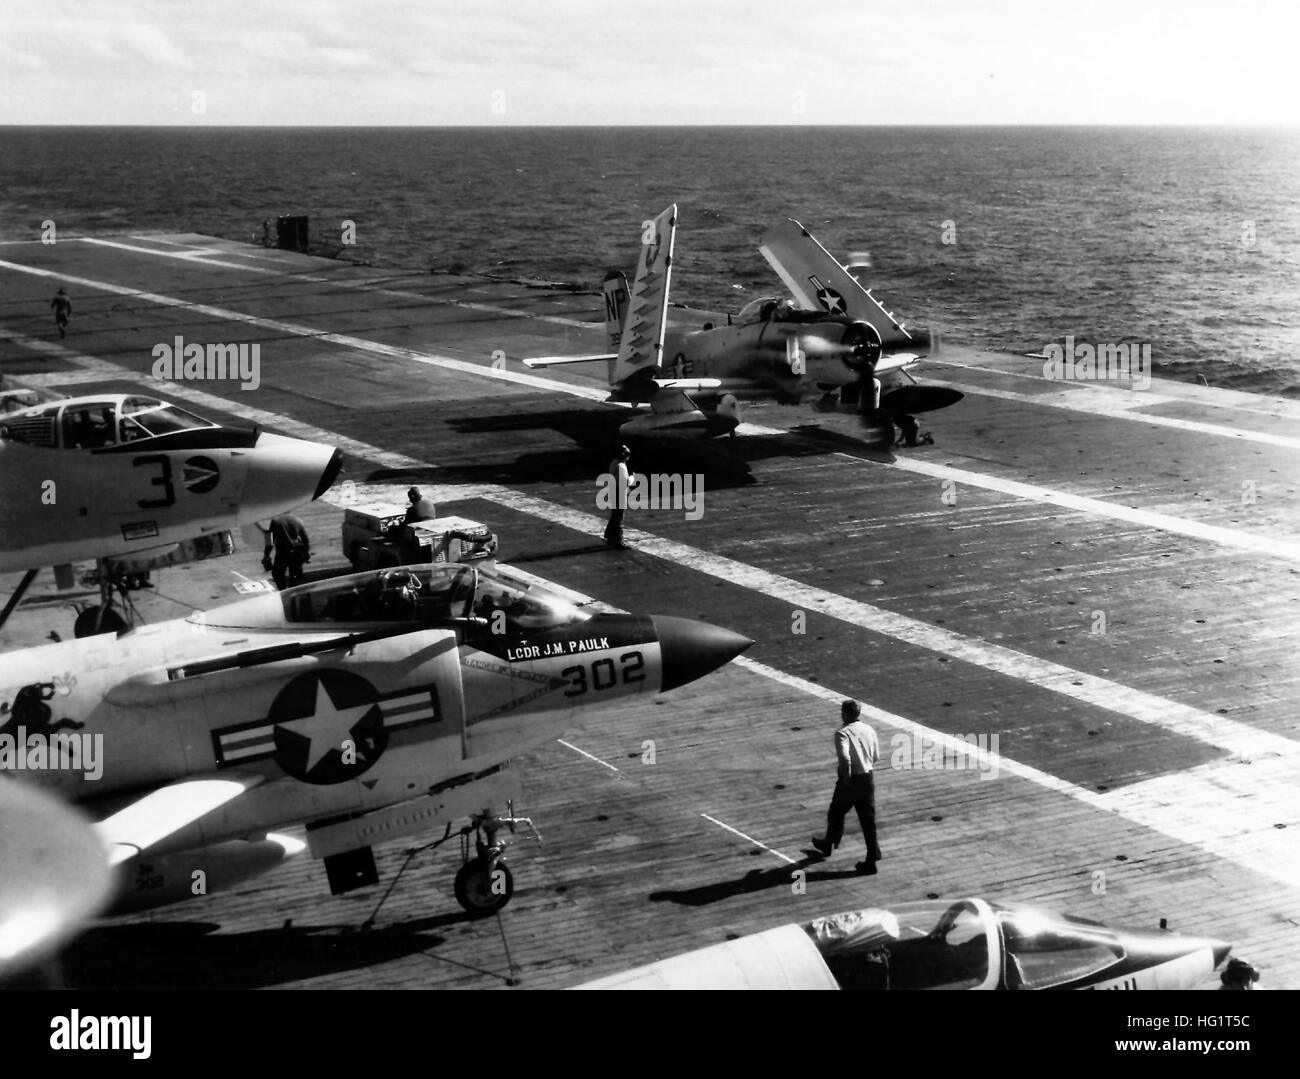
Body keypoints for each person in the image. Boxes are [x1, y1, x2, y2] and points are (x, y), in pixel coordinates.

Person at [812, 699, 883, 874]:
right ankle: (872, 859)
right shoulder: (869, 729)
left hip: (851, 780)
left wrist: (845, 778)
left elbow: (845, 759)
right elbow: (876, 756)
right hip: (867, 779)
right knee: (868, 821)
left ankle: (829, 844)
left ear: (844, 713)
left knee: (836, 811)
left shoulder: (842, 733)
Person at [263, 514, 311, 589]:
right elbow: (305, 538)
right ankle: (297, 591)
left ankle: (283, 591)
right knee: (295, 574)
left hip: (283, 551)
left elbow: (269, 541)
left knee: (277, 574)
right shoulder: (297, 519)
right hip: (297, 551)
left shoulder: (275, 521)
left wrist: (266, 554)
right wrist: (306, 551)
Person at [603, 444, 637, 550]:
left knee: (615, 515)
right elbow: (626, 482)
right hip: (619, 493)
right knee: (619, 517)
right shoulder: (621, 466)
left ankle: (609, 535)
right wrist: (632, 478)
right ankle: (618, 540)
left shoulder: (614, 463)